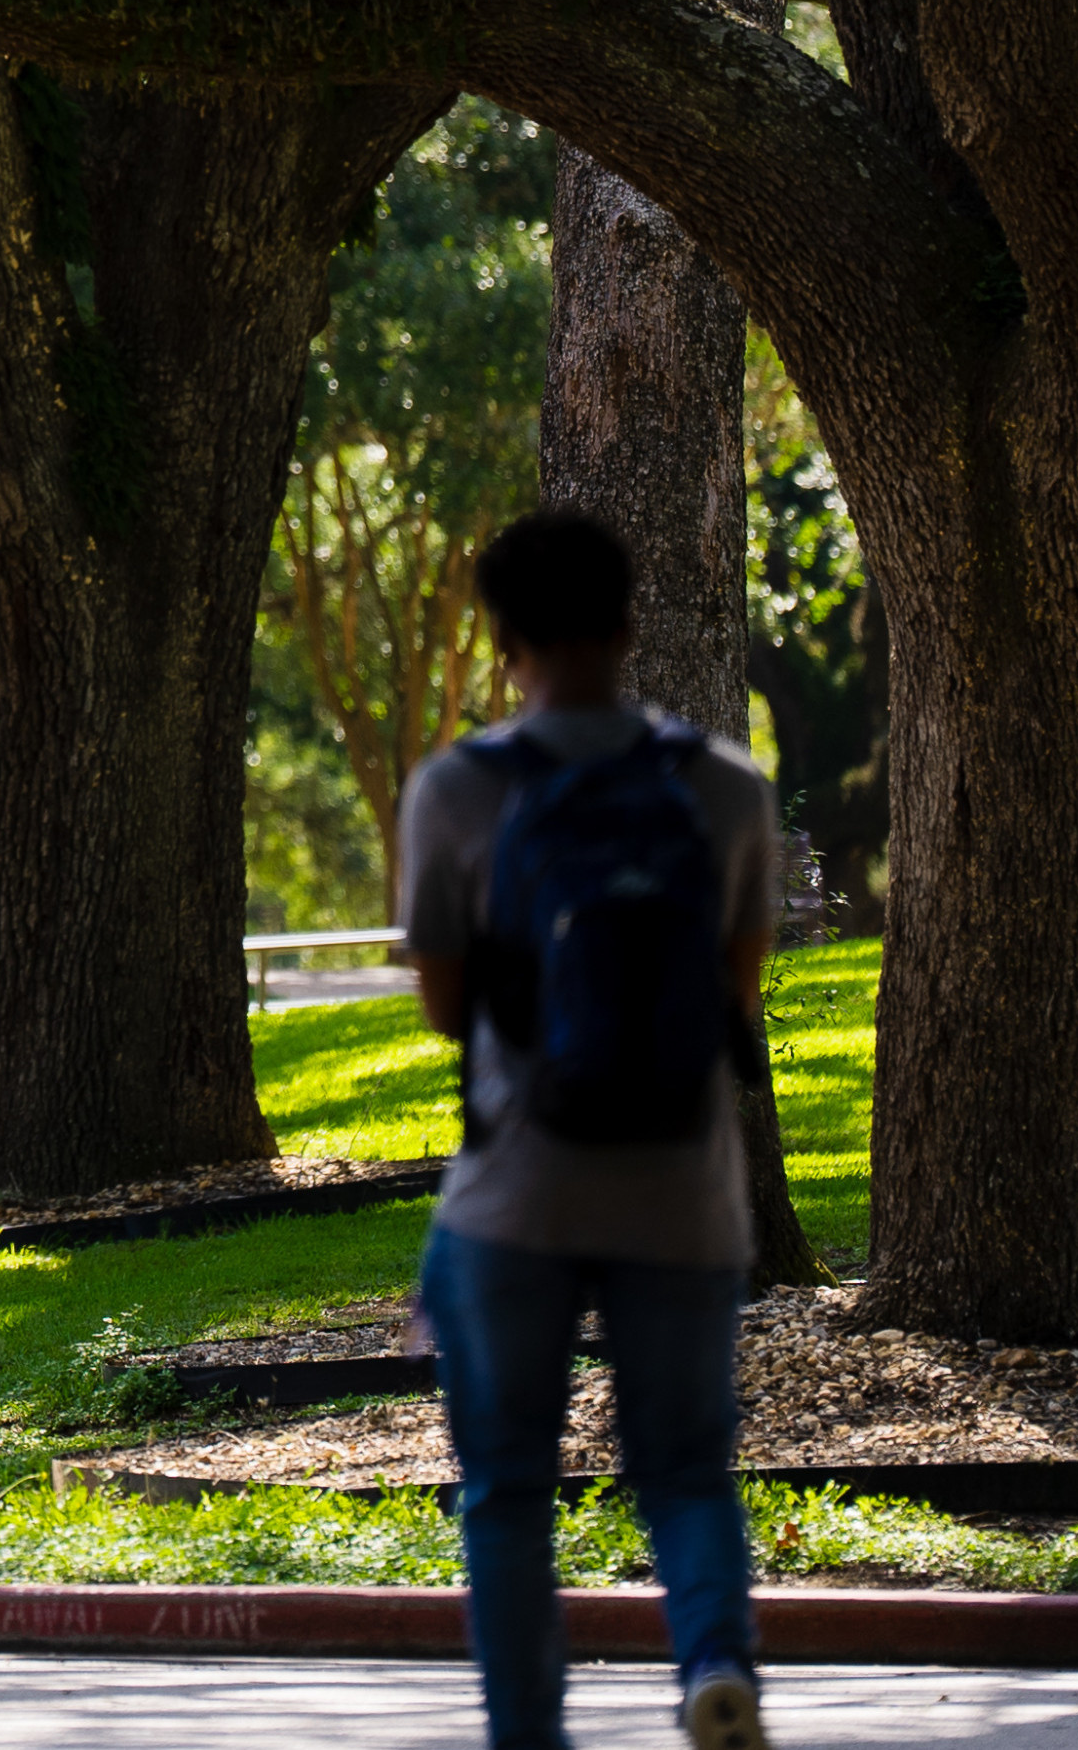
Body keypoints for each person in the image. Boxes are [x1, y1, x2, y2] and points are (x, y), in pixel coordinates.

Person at [400, 511, 779, 1750]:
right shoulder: (723, 787)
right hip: (682, 1188)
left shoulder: (457, 791)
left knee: (506, 1493)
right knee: (684, 1469)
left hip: (518, 1190)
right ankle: (714, 1666)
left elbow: (446, 1005)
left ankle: (531, 1739)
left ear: (500, 639)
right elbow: (736, 986)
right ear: (629, 622)